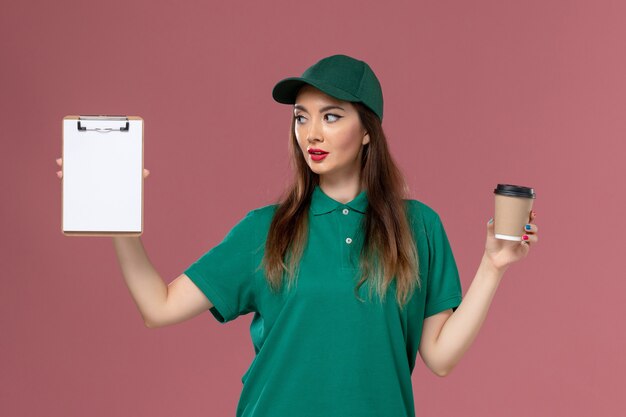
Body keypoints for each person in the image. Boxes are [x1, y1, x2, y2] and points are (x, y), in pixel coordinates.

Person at [56, 54, 539, 417]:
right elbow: (157, 308)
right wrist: (119, 219)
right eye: (301, 117)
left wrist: (493, 267)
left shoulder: (418, 227)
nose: (312, 132)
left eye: (331, 116)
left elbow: (440, 357)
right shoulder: (267, 229)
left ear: (367, 130)